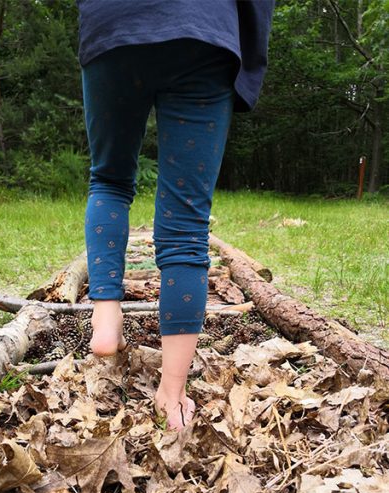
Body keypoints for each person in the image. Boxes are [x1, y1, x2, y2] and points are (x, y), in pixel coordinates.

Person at [76, 0, 275, 431]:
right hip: (203, 33)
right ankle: (173, 391)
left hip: (113, 26)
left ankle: (106, 318)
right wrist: (247, 61)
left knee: (109, 180)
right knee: (186, 221)